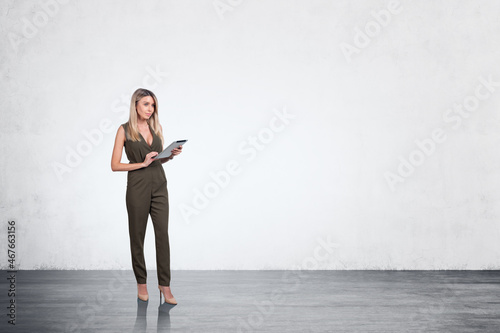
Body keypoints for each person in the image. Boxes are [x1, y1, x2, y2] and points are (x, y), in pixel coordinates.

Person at [111, 88, 182, 305]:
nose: (150, 109)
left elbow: (157, 160)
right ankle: (141, 283)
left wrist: (169, 155)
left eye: (152, 105)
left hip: (159, 185)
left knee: (163, 235)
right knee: (137, 236)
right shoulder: (124, 130)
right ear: (135, 105)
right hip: (137, 187)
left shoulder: (157, 127)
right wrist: (141, 163)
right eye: (146, 104)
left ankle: (165, 285)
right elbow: (114, 165)